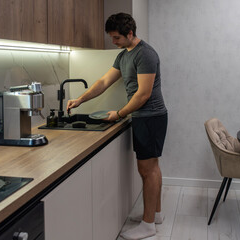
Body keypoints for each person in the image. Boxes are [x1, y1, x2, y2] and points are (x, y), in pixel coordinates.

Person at [67, 12, 167, 240]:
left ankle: (148, 224)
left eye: (116, 38)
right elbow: (103, 82)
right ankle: (155, 215)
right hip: (143, 116)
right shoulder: (124, 56)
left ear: (130, 33)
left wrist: (119, 114)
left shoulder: (146, 54)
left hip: (151, 116)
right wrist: (81, 99)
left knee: (147, 170)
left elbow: (143, 94)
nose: (113, 42)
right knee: (152, 168)